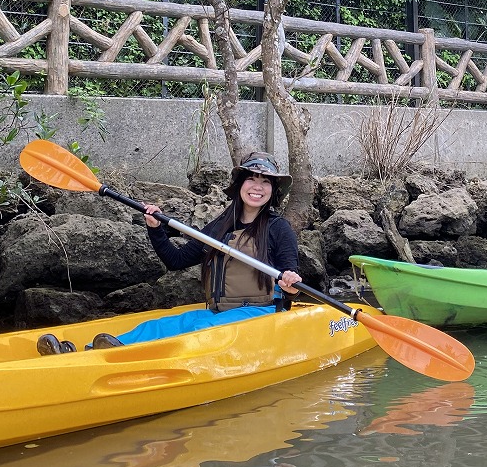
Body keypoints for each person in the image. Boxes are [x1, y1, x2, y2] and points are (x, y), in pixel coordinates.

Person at [37, 151, 302, 355]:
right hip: (220, 312)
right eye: (251, 179)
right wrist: (155, 229)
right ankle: (86, 353)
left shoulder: (279, 229)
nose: (257, 187)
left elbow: (293, 284)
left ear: (273, 190)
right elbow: (176, 261)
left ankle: (128, 359)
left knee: (201, 330)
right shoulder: (219, 227)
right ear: (240, 186)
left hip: (261, 314)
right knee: (158, 327)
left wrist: (290, 284)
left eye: (265, 181)